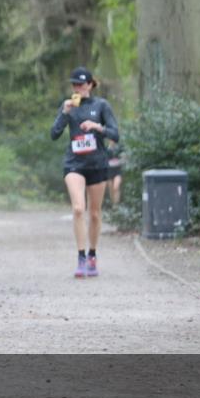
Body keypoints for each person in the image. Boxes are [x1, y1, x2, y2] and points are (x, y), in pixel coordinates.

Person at [50, 66, 120, 278]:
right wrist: (64, 113)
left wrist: (97, 127)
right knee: (79, 209)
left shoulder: (101, 105)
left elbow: (115, 134)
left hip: (97, 164)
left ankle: (92, 255)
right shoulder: (69, 106)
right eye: (74, 84)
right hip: (74, 164)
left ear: (90, 85)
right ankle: (80, 257)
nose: (77, 88)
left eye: (81, 84)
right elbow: (54, 134)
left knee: (95, 213)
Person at [106, 139, 125, 207]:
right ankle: (113, 204)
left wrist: (121, 160)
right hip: (109, 171)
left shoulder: (119, 149)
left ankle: (116, 205)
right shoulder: (106, 150)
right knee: (111, 189)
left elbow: (124, 158)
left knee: (116, 187)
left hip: (117, 170)